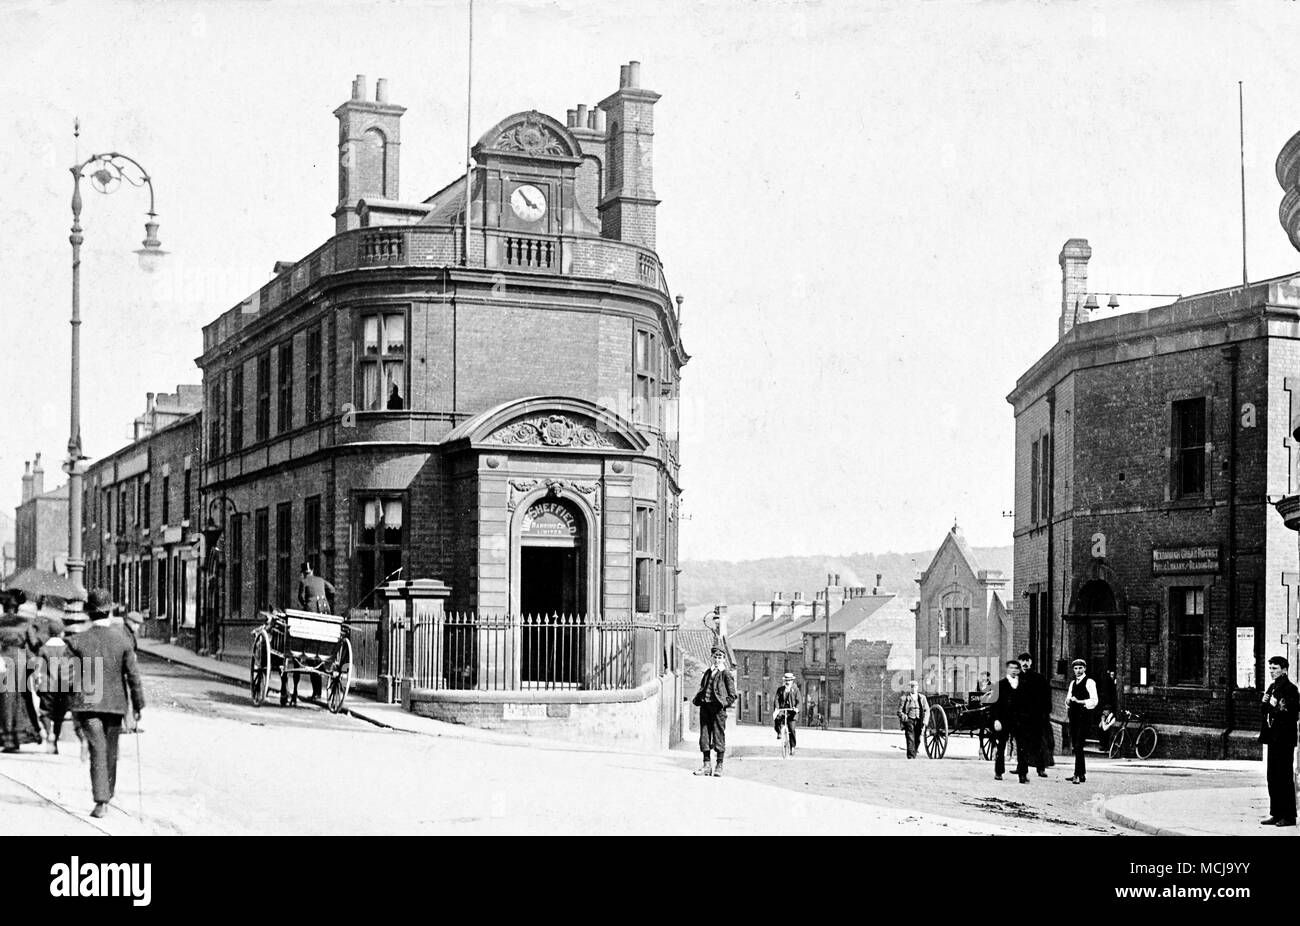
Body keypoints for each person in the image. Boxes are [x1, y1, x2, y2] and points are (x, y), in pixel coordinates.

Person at [65, 589, 145, 819]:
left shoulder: (77, 640)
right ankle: (106, 795)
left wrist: (74, 702)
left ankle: (102, 800)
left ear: (88, 612)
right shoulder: (123, 640)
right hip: (115, 705)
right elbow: (133, 676)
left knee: (98, 750)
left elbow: (67, 677)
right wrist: (138, 705)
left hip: (88, 704)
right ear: (110, 610)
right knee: (110, 751)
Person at [1260, 655, 1299, 826]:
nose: (1271, 671)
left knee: (1283, 776)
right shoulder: (1272, 687)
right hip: (1273, 737)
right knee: (1272, 776)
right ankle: (1275, 812)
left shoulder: (1290, 689)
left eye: (1275, 668)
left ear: (1284, 669)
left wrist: (1274, 705)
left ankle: (1288, 816)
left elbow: (1290, 713)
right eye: (1270, 668)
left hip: (1284, 738)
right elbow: (1265, 710)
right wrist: (1265, 703)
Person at [0, 596, 41, 753]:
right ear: (17, 607)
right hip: (20, 663)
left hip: (3, 662)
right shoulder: (25, 622)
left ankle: (7, 737)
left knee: (5, 699)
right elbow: (34, 644)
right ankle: (20, 735)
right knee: (22, 698)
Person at [293, 563, 337, 702]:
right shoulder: (321, 580)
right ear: (312, 570)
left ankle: (316, 693)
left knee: (312, 651)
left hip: (311, 613)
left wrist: (307, 603)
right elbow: (333, 590)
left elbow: (300, 597)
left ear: (303, 572)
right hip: (325, 612)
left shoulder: (303, 581)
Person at [691, 647, 736, 777]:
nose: (717, 660)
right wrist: (699, 699)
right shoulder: (708, 672)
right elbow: (703, 687)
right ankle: (706, 765)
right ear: (712, 658)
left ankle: (719, 766)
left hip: (718, 710)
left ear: (724, 659)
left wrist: (723, 704)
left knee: (718, 736)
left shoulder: (726, 674)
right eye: (715, 657)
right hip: (705, 708)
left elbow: (732, 695)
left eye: (720, 657)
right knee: (704, 736)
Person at [1016, 652, 1050, 779]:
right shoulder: (1015, 679)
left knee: (1038, 743)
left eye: (1027, 660)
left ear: (1031, 662)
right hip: (1020, 718)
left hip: (1036, 717)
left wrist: (1045, 715)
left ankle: (1040, 768)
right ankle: (1022, 772)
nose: (1025, 663)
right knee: (1021, 745)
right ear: (1019, 662)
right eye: (1022, 660)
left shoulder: (1039, 678)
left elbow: (1046, 697)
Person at [987, 659, 1022, 781]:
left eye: (1016, 668)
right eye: (1011, 668)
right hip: (1004, 720)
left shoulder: (1022, 685)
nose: (1013, 670)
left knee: (1021, 746)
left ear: (1018, 670)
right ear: (1008, 669)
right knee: (1001, 746)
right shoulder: (1000, 685)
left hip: (1018, 721)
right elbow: (994, 704)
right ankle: (999, 771)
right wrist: (996, 720)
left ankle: (1022, 773)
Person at [1065, 659, 1099, 784]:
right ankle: (1082, 773)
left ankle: (1076, 774)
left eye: (1080, 668)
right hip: (1074, 717)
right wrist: (1068, 702)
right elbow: (1068, 699)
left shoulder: (1089, 682)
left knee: (1079, 745)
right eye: (1075, 668)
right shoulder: (1072, 683)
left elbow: (1094, 701)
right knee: (1076, 746)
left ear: (1084, 669)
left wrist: (1080, 701)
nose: (1078, 671)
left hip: (1084, 718)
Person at [897, 680, 929, 759]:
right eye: (912, 687)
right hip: (909, 720)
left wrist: (925, 722)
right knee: (910, 738)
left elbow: (927, 710)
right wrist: (904, 717)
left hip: (919, 720)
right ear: (909, 688)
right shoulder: (904, 698)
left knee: (918, 739)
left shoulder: (922, 698)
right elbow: (899, 711)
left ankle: (913, 754)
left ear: (917, 688)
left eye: (915, 687)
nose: (913, 689)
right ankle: (911, 757)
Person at [772, 671, 800, 753]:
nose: (788, 682)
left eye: (789, 680)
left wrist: (796, 709)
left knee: (792, 729)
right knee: (777, 718)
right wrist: (777, 708)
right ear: (784, 681)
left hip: (792, 711)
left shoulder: (795, 690)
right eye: (786, 680)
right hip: (783, 710)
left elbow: (799, 701)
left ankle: (792, 747)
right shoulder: (780, 689)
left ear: (792, 681)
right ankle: (779, 732)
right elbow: (776, 700)